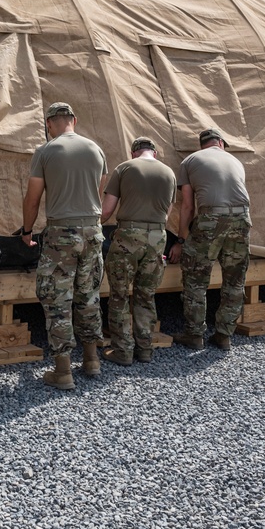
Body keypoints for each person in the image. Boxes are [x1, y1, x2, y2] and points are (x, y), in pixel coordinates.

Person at [20, 102, 107, 390]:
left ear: (48, 124)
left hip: (61, 233)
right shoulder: (95, 149)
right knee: (88, 295)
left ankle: (63, 371)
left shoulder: (46, 151)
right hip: (93, 232)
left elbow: (32, 199)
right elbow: (99, 193)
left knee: (58, 301)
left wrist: (27, 231)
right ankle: (92, 361)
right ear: (74, 120)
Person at [169, 128, 250, 352]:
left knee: (196, 277)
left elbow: (187, 205)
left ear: (202, 145)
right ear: (221, 143)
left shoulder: (190, 160)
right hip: (242, 218)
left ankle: (194, 335)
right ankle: (224, 335)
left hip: (211, 217)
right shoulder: (235, 161)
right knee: (234, 279)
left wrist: (181, 238)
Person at [99, 136, 177, 365]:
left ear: (134, 152)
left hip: (128, 237)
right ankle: (144, 349)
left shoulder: (124, 168)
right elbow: (166, 215)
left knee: (120, 295)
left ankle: (122, 351)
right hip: (157, 238)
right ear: (155, 153)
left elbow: (106, 211)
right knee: (145, 295)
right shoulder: (169, 173)